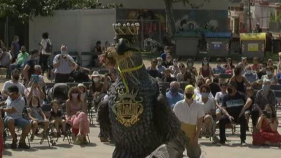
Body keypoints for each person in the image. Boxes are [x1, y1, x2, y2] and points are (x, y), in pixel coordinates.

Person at [173, 85, 204, 158]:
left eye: (191, 92)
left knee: (195, 155)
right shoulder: (178, 105)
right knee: (177, 155)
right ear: (184, 92)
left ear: (193, 93)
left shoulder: (198, 105)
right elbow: (174, 121)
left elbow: (199, 122)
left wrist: (197, 136)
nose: (189, 93)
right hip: (180, 133)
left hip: (192, 134)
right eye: (187, 92)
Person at [219, 81, 252, 145]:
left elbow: (249, 100)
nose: (229, 88)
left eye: (230, 86)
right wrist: (228, 116)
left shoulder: (241, 95)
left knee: (243, 120)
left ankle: (243, 140)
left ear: (235, 88)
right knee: (222, 120)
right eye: (228, 86)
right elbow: (223, 108)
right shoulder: (225, 97)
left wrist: (243, 110)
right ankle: (222, 140)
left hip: (239, 115)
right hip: (229, 116)